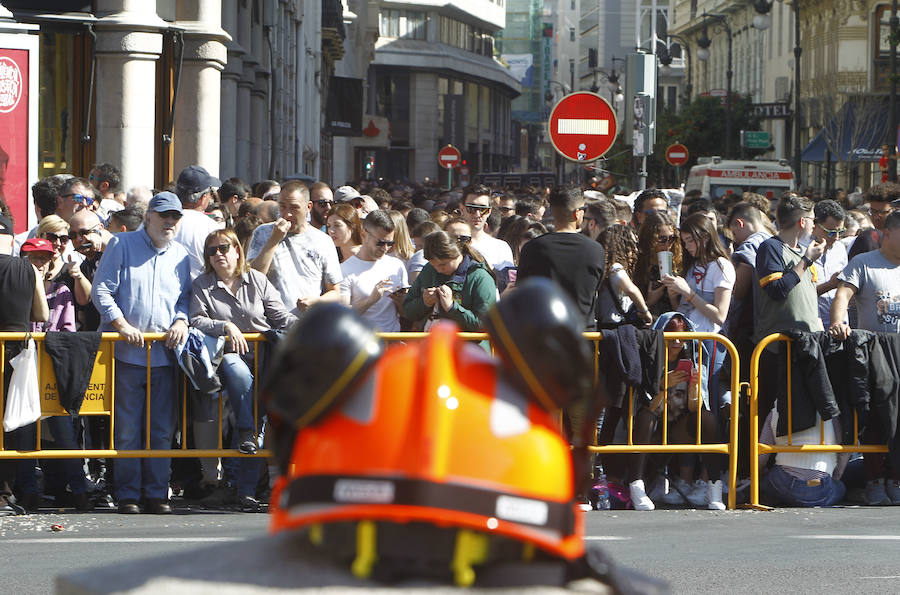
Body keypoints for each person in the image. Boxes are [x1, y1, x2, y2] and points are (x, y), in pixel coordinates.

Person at [92, 192, 192, 515]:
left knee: (162, 429)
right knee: (128, 428)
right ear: (148, 216)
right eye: (164, 215)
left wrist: (181, 320)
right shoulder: (121, 245)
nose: (170, 222)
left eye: (175, 217)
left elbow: (185, 300)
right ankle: (128, 494)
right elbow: (101, 289)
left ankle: (156, 493)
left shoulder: (181, 255)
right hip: (125, 353)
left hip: (164, 354)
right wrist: (120, 323)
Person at [190, 228, 296, 512]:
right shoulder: (202, 284)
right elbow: (196, 320)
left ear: (237, 249)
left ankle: (246, 491)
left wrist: (309, 323)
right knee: (237, 376)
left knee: (255, 418)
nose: (218, 255)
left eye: (223, 247)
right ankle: (247, 435)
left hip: (265, 357)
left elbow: (280, 316)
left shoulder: (258, 280)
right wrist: (225, 326)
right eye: (211, 251)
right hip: (227, 355)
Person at [829, 211, 900, 505]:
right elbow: (843, 295)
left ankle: (895, 478)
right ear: (888, 232)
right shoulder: (864, 263)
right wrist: (838, 322)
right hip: (874, 351)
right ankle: (874, 480)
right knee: (875, 418)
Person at [626, 313, 724, 511]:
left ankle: (714, 488)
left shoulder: (692, 359)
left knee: (708, 419)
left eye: (682, 336)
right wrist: (662, 387)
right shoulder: (650, 358)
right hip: (651, 431)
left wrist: (695, 391)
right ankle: (637, 486)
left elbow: (695, 409)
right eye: (672, 336)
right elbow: (646, 408)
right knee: (646, 417)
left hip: (678, 429)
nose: (677, 342)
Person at [0, 214, 48, 515]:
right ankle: (5, 490)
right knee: (9, 424)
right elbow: (41, 313)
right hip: (16, 352)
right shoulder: (27, 268)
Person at [248, 180, 343, 314]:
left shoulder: (323, 241)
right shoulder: (263, 232)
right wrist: (273, 240)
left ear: (308, 207)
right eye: (282, 207)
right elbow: (252, 279)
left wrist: (316, 301)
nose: (287, 214)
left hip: (307, 325)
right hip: (270, 325)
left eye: (294, 208)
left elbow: (335, 292)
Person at [517, 185, 606, 329]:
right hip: (583, 338)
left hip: (543, 338)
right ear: (577, 213)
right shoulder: (595, 250)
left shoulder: (532, 248)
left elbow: (522, 291)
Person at [402, 230, 496, 333]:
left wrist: (451, 307)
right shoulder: (429, 270)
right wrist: (424, 302)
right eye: (434, 265)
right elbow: (407, 311)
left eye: (443, 264)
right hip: (431, 343)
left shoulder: (480, 277)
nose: (438, 269)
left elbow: (484, 325)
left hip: (467, 346)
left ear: (457, 255)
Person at [339, 210, 409, 332]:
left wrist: (400, 301)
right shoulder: (345, 269)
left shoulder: (397, 265)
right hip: (362, 345)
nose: (385, 248)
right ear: (364, 235)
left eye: (390, 243)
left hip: (392, 343)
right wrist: (371, 300)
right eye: (380, 243)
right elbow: (341, 316)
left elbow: (405, 314)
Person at [595, 224, 652, 328]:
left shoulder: (605, 268)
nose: (635, 250)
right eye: (631, 245)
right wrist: (645, 311)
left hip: (607, 326)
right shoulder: (616, 268)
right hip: (616, 327)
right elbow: (631, 290)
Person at [173, 165, 222, 279]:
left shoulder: (156, 221)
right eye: (210, 193)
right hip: (199, 292)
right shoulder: (212, 228)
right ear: (203, 197)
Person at [633, 211, 682, 317]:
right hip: (645, 326)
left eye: (671, 239)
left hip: (672, 326)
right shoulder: (637, 263)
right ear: (650, 239)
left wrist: (674, 296)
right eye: (662, 239)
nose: (668, 244)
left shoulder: (678, 262)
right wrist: (649, 302)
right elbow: (630, 311)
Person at [458, 184, 515, 273]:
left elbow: (507, 284)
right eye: (471, 209)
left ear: (489, 211)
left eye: (483, 209)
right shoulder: (450, 243)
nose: (477, 215)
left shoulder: (501, 247)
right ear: (461, 209)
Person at [809, 200, 847, 328]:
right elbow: (801, 294)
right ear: (815, 225)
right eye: (830, 232)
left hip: (838, 325)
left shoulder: (840, 248)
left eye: (841, 232)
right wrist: (830, 285)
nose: (836, 237)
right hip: (813, 326)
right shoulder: (802, 249)